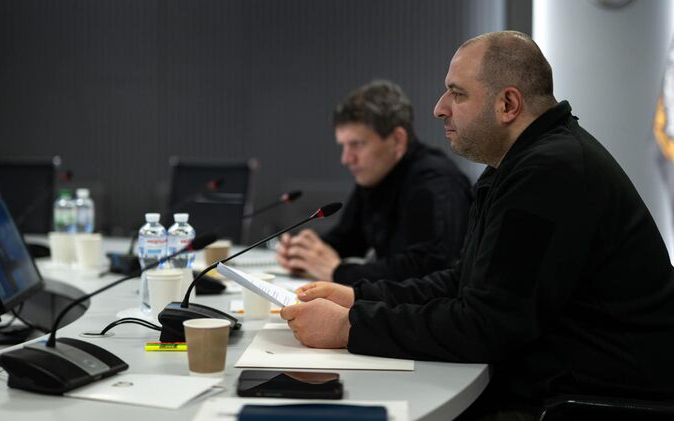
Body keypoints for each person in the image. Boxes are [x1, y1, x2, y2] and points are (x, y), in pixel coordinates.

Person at [280, 31, 674, 417]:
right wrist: (357, 297)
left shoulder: (551, 171)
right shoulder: (515, 163)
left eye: (457, 93)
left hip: (590, 399)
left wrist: (349, 327)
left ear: (508, 104)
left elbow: (486, 326)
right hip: (560, 384)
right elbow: (463, 281)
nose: (439, 108)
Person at [276, 80, 472, 284]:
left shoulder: (436, 182)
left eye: (357, 144)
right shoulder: (376, 174)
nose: (346, 159)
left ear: (397, 140)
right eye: (343, 146)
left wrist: (340, 272)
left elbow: (429, 269)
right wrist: (304, 253)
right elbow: (347, 239)